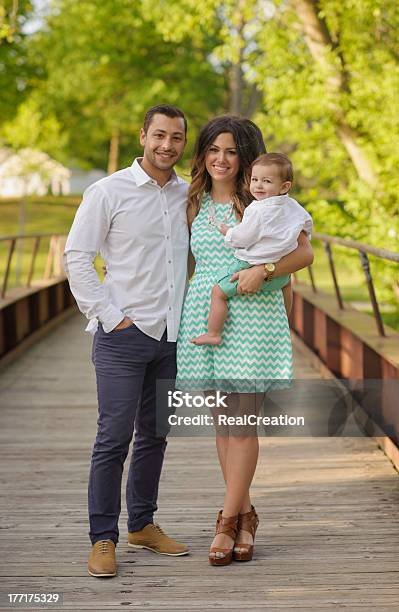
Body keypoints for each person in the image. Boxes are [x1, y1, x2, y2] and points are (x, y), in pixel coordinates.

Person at [176, 115, 314, 566]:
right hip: (205, 312)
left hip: (251, 317)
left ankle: (225, 521)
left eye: (232, 151)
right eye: (213, 150)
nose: (221, 159)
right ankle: (245, 516)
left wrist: (265, 270)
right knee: (222, 423)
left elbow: (305, 253)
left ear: (247, 156)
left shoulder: (262, 200)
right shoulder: (192, 199)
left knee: (242, 425)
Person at [63, 104, 190, 578]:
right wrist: (111, 316)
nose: (167, 145)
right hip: (123, 336)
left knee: (155, 436)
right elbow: (77, 257)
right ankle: (102, 537)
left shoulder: (186, 195)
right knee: (113, 438)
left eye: (176, 138)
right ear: (143, 136)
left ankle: (142, 524)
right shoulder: (107, 190)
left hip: (171, 336)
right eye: (159, 135)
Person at [191, 152, 313, 346]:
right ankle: (286, 325)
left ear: (284, 186)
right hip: (278, 280)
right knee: (286, 284)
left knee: (218, 292)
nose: (258, 185)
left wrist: (228, 232)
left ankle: (213, 332)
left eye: (266, 181)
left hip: (248, 270)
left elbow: (243, 237)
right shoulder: (291, 206)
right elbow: (306, 223)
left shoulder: (257, 208)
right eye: (255, 180)